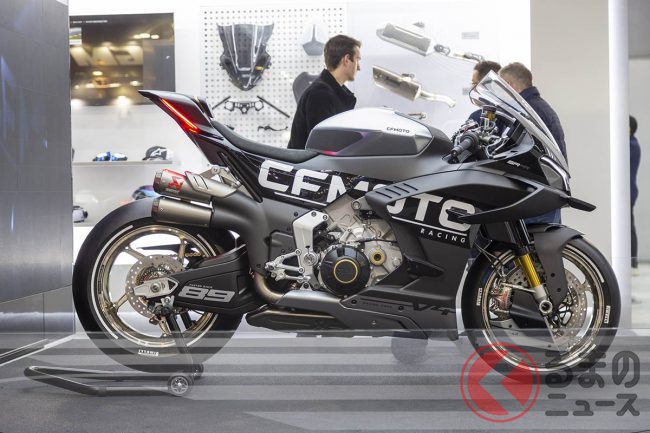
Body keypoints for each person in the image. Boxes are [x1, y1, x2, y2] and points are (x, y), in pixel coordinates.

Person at [499, 62, 568, 224]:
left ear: (510, 85)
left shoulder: (527, 110)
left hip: (535, 192)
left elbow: (517, 149)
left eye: (502, 86)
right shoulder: (537, 106)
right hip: (547, 189)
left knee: (533, 238)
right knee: (547, 238)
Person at [288, 35, 361, 150]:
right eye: (357, 60)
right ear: (346, 59)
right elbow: (322, 147)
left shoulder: (330, 92)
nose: (359, 67)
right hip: (310, 162)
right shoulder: (320, 94)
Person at [630, 115, 641, 271]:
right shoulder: (632, 143)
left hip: (628, 193)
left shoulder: (631, 145)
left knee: (629, 228)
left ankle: (633, 262)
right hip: (630, 192)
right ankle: (633, 262)